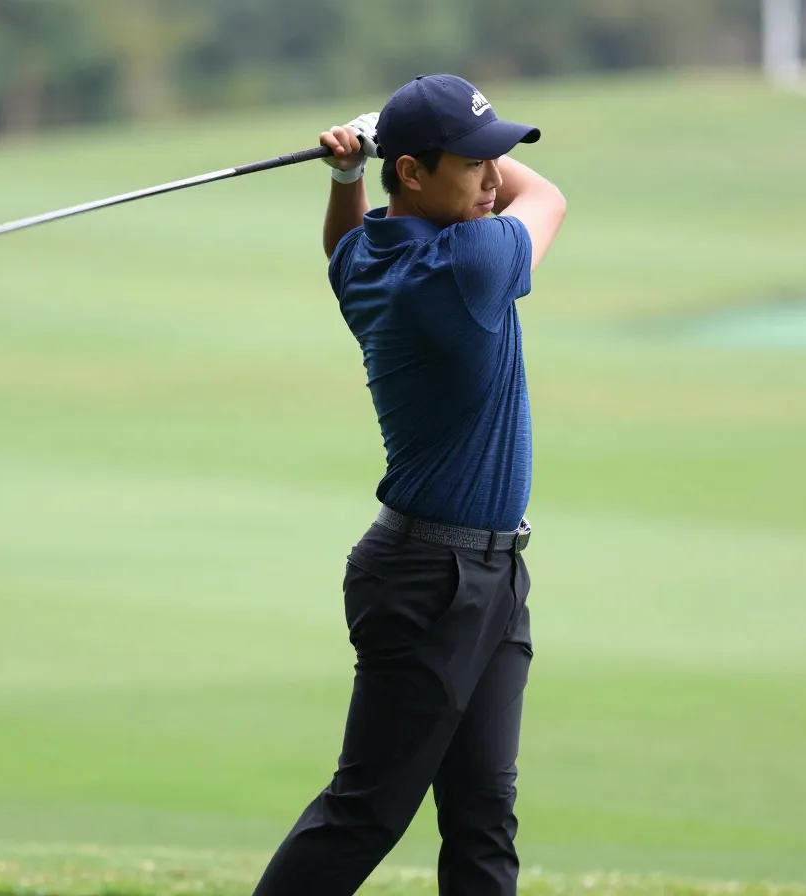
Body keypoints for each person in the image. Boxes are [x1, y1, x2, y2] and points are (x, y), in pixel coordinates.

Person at [251, 74, 567, 896]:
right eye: (475, 164)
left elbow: (342, 245)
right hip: (432, 581)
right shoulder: (472, 262)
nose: (495, 180)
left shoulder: (369, 259)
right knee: (365, 814)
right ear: (416, 174)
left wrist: (350, 176)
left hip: (487, 576)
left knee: (483, 817)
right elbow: (551, 197)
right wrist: (374, 153)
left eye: (496, 160)